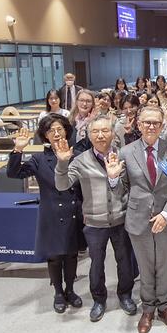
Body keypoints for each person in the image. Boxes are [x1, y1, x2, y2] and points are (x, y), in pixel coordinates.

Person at [54, 114, 137, 322]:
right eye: (95, 132)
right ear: (88, 135)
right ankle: (99, 299)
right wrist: (62, 164)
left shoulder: (123, 157)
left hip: (121, 219)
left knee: (125, 261)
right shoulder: (80, 160)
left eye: (105, 131)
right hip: (94, 222)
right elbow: (62, 185)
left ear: (112, 133)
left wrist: (114, 179)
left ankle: (125, 294)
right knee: (96, 263)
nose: (100, 135)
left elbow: (130, 188)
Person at [114, 106, 167, 333]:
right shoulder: (126, 152)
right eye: (147, 122)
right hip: (138, 219)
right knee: (145, 268)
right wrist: (113, 180)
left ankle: (165, 307)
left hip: (166, 218)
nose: (151, 126)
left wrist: (166, 213)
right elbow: (120, 189)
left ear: (162, 125)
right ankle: (148, 309)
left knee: (163, 266)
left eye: (156, 122)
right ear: (139, 125)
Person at [7, 115, 83, 314]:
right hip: (51, 213)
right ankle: (58, 292)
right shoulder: (39, 159)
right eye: (51, 131)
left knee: (72, 254)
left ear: (66, 131)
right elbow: (14, 173)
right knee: (55, 256)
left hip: (74, 211)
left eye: (60, 129)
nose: (56, 133)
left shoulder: (77, 155)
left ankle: (71, 290)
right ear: (45, 136)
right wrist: (18, 149)